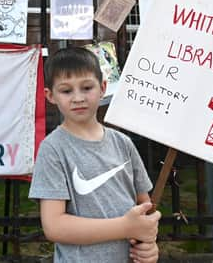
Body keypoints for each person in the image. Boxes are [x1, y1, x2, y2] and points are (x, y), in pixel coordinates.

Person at [28, 47, 161, 263]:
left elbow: (144, 208)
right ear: (50, 96)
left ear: (103, 88)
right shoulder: (53, 150)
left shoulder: (123, 143)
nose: (78, 97)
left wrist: (149, 246)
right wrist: (124, 227)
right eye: (66, 90)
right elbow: (54, 226)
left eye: (87, 87)